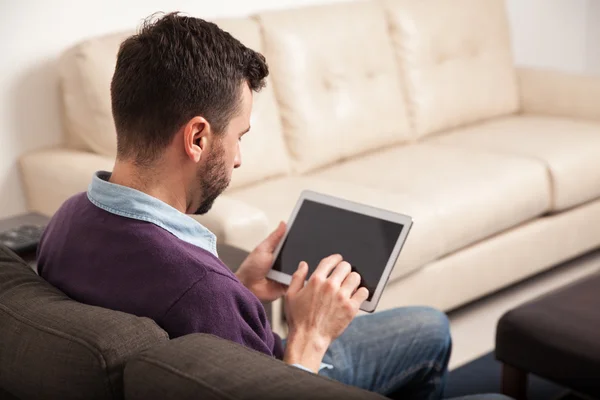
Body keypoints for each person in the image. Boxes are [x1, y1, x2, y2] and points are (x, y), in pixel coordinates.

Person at [37, 13, 509, 400]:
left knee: (427, 325)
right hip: (289, 372)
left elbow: (192, 318)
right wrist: (310, 335)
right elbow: (266, 377)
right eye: (238, 136)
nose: (239, 158)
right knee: (442, 343)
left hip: (237, 357)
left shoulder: (66, 220)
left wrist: (242, 290)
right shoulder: (203, 290)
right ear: (198, 137)